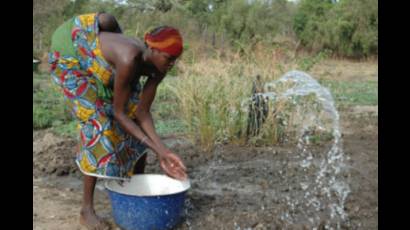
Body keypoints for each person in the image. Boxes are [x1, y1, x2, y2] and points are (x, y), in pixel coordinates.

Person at [49, 12, 187, 230]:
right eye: (169, 59)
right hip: (72, 53)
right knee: (99, 124)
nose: (171, 65)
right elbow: (118, 113)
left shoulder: (159, 68)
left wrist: (164, 152)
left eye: (175, 60)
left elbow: (142, 113)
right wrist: (157, 149)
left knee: (135, 121)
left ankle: (135, 186)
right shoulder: (129, 58)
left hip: (104, 60)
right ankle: (86, 210)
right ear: (153, 50)